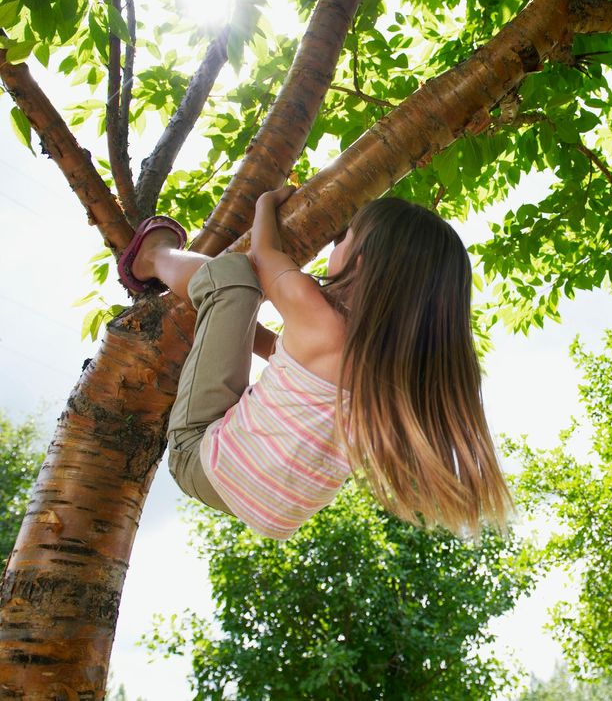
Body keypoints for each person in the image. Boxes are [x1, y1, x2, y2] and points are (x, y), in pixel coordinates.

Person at [117, 187, 513, 540]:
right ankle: (203, 308)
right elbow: (295, 374)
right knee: (241, 314)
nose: (332, 248)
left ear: (362, 262)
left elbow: (262, 255)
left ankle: (152, 258)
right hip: (274, 507)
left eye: (345, 239)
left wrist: (265, 203)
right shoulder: (397, 369)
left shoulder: (318, 315)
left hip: (199, 455)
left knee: (232, 278)